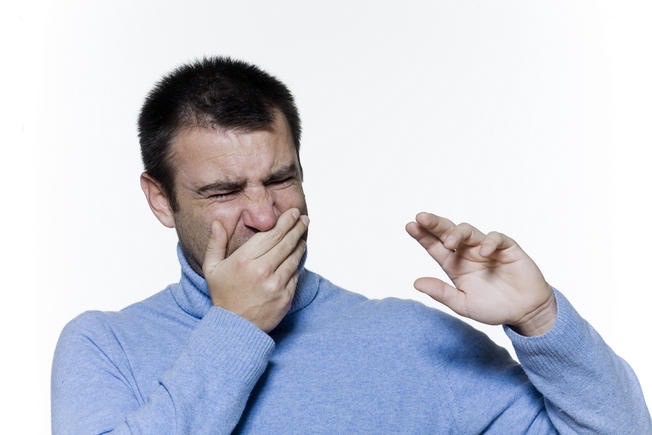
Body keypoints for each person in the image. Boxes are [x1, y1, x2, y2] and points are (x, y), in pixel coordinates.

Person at [51, 56, 650, 434]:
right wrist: (236, 328)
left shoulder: (414, 341)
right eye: (223, 191)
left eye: (280, 179)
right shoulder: (105, 347)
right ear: (161, 200)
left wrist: (541, 321)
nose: (264, 215)